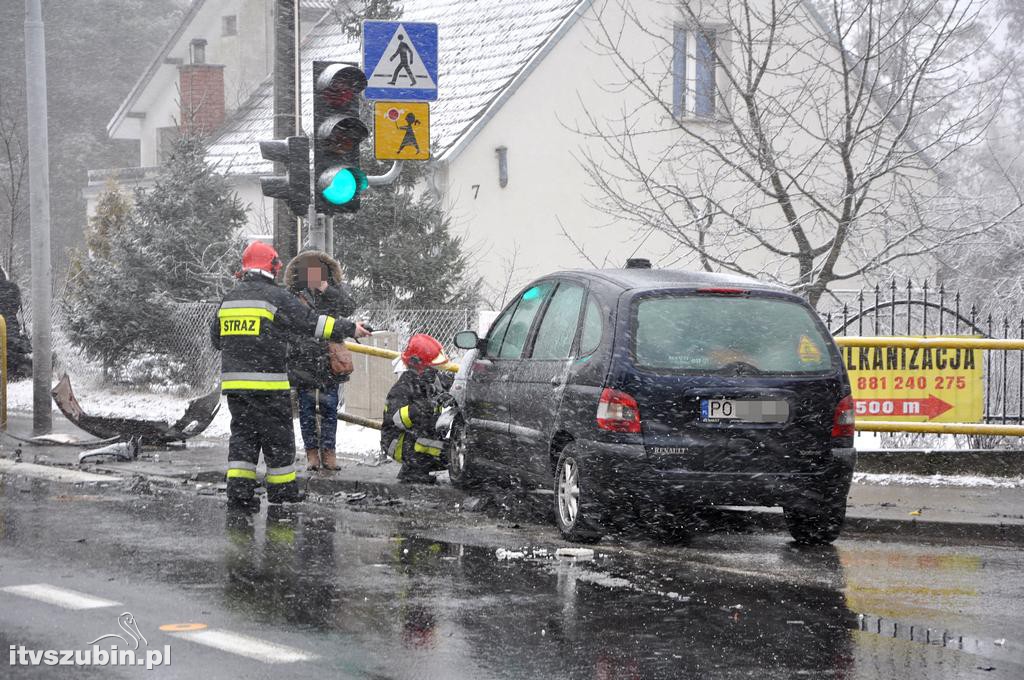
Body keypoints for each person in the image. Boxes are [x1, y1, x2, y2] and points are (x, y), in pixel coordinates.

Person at [210, 241, 370, 511]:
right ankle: (282, 493)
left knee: (242, 440)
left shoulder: (230, 298)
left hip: (236, 388)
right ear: (271, 267)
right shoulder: (276, 297)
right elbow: (313, 323)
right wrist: (350, 328)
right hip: (269, 386)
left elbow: (216, 339)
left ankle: (239, 496)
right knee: (278, 440)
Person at [283, 250, 357, 472]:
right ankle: (312, 455)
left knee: (329, 407)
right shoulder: (293, 293)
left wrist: (327, 290)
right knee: (306, 409)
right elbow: (287, 320)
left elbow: (349, 307)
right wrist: (299, 343)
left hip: (329, 359)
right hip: (302, 359)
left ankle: (329, 453)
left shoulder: (334, 290)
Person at [381, 334, 454, 484]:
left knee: (448, 453)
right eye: (431, 368)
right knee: (449, 455)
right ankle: (413, 470)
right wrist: (428, 405)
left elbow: (452, 383)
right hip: (398, 443)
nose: (436, 372)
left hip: (414, 438)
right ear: (418, 365)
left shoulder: (428, 381)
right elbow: (397, 419)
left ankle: (417, 466)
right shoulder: (403, 387)